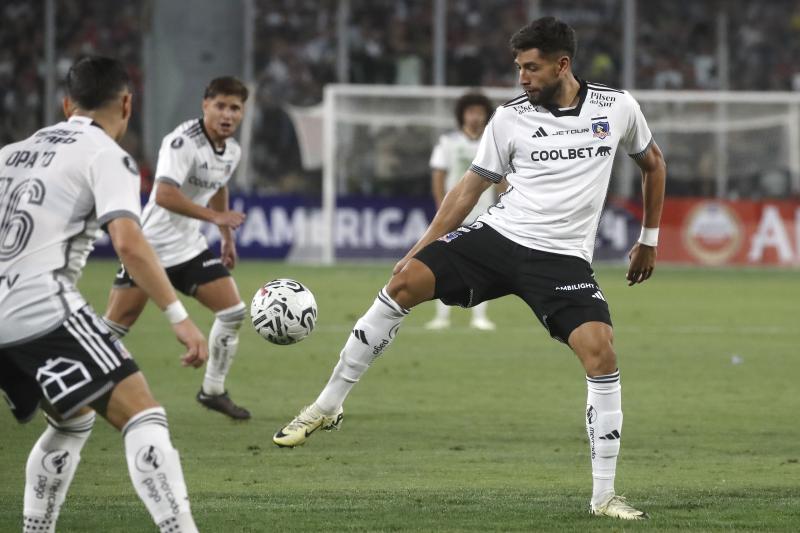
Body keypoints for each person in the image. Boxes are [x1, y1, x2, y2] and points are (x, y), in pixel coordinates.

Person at [273, 17, 666, 521]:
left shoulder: (617, 107)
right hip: (499, 238)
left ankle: (603, 497)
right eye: (518, 67)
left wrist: (648, 240)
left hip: (562, 258)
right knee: (403, 283)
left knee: (601, 353)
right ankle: (327, 406)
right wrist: (420, 248)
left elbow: (653, 164)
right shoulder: (509, 118)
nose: (522, 77)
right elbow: (469, 189)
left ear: (562, 64)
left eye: (531, 67)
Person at [0, 56, 207, 533]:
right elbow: (129, 243)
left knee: (72, 417)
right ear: (127, 104)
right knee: (143, 414)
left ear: (66, 104)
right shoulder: (107, 155)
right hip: (39, 306)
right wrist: (178, 315)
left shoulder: (11, 152)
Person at [102, 77, 251, 420]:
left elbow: (219, 186)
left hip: (188, 248)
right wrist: (216, 217)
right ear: (205, 105)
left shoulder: (232, 150)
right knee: (112, 329)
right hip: (150, 247)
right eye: (220, 106)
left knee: (232, 312)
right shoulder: (182, 142)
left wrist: (226, 236)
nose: (227, 115)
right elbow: (164, 195)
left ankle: (213, 390)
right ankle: (67, 382)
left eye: (235, 108)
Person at [425, 91, 499, 332]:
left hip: (484, 214)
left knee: (483, 266)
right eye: (470, 112)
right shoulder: (448, 142)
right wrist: (441, 208)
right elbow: (438, 174)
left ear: (486, 115)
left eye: (480, 112)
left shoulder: (493, 143)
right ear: (462, 115)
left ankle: (480, 317)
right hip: (453, 213)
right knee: (442, 264)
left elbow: (502, 179)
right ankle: (442, 317)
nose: (475, 117)